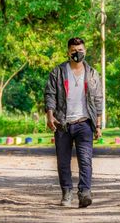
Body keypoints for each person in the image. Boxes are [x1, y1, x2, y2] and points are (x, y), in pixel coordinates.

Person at [44, 37, 103, 208]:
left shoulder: (92, 73)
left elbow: (98, 100)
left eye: (81, 50)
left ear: (85, 51)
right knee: (63, 161)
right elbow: (50, 94)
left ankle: (84, 193)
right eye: (74, 51)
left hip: (85, 123)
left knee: (85, 160)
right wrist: (49, 115)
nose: (78, 54)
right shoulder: (58, 72)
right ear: (68, 52)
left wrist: (98, 125)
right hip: (63, 123)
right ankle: (67, 192)